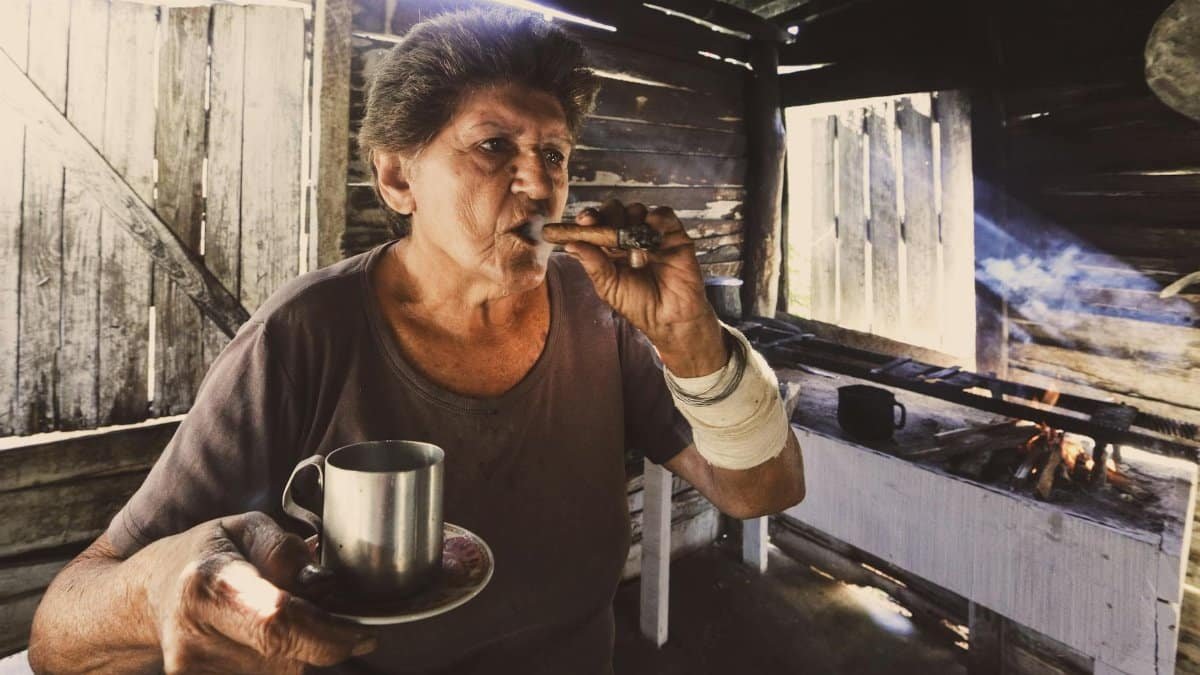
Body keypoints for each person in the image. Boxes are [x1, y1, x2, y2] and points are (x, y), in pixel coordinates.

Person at [27, 8, 804, 674]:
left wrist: (692, 338)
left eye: (555, 154)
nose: (538, 185)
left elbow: (763, 490)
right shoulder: (303, 336)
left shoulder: (599, 311)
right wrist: (161, 587)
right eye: (494, 146)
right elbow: (57, 632)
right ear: (398, 179)